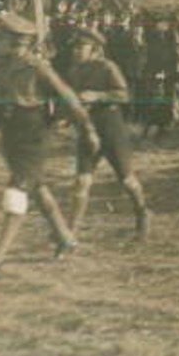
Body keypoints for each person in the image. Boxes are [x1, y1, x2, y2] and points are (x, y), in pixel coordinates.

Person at [0, 11, 97, 274]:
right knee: (37, 187)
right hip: (10, 132)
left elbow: (68, 97)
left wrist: (87, 127)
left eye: (0, 38)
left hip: (33, 132)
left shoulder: (37, 66)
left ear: (17, 41)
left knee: (16, 190)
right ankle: (65, 237)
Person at [63, 26, 152, 240]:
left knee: (127, 180)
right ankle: (70, 232)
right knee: (82, 181)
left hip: (111, 127)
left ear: (95, 49)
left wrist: (98, 95)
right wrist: (68, 118)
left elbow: (124, 95)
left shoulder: (108, 67)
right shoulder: (74, 71)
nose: (76, 51)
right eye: (74, 47)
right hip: (88, 128)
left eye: (81, 47)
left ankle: (142, 213)